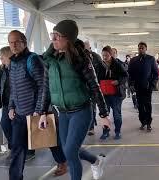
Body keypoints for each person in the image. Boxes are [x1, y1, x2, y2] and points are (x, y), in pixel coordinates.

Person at [39, 20, 111, 180]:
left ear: (68, 39)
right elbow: (46, 87)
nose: (53, 39)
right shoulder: (49, 59)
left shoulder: (81, 59)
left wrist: (104, 114)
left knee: (70, 151)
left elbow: (94, 86)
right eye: (53, 35)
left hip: (81, 111)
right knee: (68, 150)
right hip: (62, 113)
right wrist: (42, 112)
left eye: (57, 36)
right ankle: (96, 161)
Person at [7, 30, 67, 180]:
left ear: (24, 43)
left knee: (50, 140)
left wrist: (39, 111)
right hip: (20, 114)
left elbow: (43, 86)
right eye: (10, 42)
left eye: (16, 42)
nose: (13, 45)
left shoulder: (32, 60)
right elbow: (13, 88)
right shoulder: (12, 62)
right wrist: (11, 107)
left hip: (37, 112)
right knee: (17, 149)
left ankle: (62, 162)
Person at [98, 46, 128, 140]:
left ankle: (117, 131)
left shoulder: (117, 65)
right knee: (105, 114)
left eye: (106, 55)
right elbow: (97, 77)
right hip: (105, 94)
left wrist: (118, 81)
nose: (104, 57)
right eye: (103, 55)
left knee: (116, 114)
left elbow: (125, 76)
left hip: (116, 94)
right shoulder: (100, 65)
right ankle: (105, 132)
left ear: (111, 55)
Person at [128, 42, 158, 132]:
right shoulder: (133, 60)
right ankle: (142, 122)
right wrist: (131, 85)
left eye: (142, 48)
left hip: (148, 87)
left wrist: (152, 85)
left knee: (147, 105)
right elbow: (130, 74)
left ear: (146, 49)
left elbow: (156, 74)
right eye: (139, 48)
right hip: (137, 87)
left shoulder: (151, 59)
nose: (141, 49)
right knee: (140, 106)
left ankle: (149, 123)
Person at [84, 40, 103, 136]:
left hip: (93, 86)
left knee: (92, 107)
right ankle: (89, 124)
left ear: (90, 48)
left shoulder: (96, 57)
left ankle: (91, 127)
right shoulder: (78, 57)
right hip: (82, 88)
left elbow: (101, 70)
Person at [0, 46, 13, 152]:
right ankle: (14, 147)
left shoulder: (15, 68)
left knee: (18, 127)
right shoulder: (2, 70)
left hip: (17, 102)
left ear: (8, 56)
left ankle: (24, 150)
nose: (1, 59)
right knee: (4, 124)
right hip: (6, 103)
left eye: (2, 57)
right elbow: (0, 86)